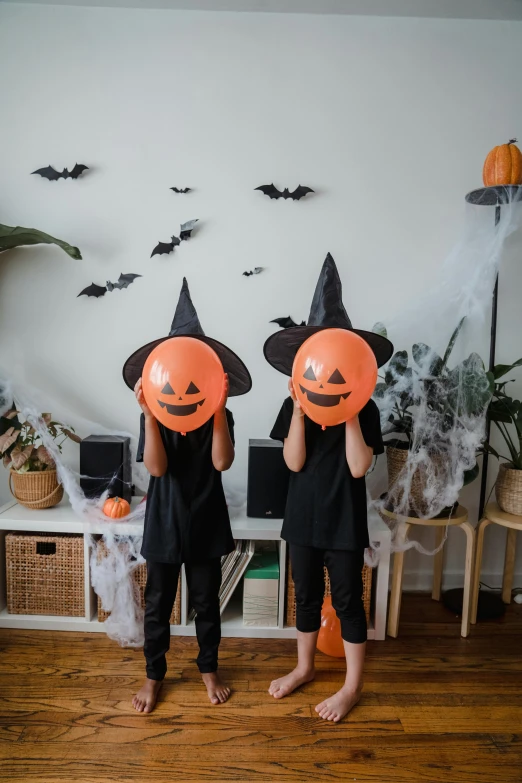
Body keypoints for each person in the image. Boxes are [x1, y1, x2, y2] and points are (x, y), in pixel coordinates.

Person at [263, 254, 393, 723]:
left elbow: (359, 468)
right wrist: (299, 411)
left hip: (343, 516)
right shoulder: (290, 404)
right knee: (304, 595)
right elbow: (293, 460)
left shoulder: (368, 409)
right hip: (301, 514)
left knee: (346, 598)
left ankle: (352, 686)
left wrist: (353, 406)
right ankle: (304, 667)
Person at [122, 278, 252, 713]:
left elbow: (221, 462)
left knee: (205, 602)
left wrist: (216, 410)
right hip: (163, 519)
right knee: (157, 602)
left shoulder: (221, 412)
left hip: (206, 518)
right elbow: (156, 468)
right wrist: (148, 415)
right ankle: (153, 675)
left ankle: (208, 668)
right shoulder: (154, 413)